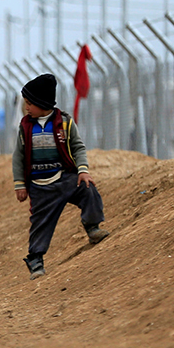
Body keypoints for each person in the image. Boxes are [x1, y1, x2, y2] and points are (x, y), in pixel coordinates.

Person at [12, 73, 109, 280]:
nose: (27, 107)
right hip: (40, 186)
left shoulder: (64, 122)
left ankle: (93, 227)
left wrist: (83, 170)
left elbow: (78, 147)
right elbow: (18, 157)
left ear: (42, 102)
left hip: (65, 178)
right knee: (40, 223)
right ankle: (36, 260)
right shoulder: (26, 127)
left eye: (30, 103)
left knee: (88, 190)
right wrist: (20, 185)